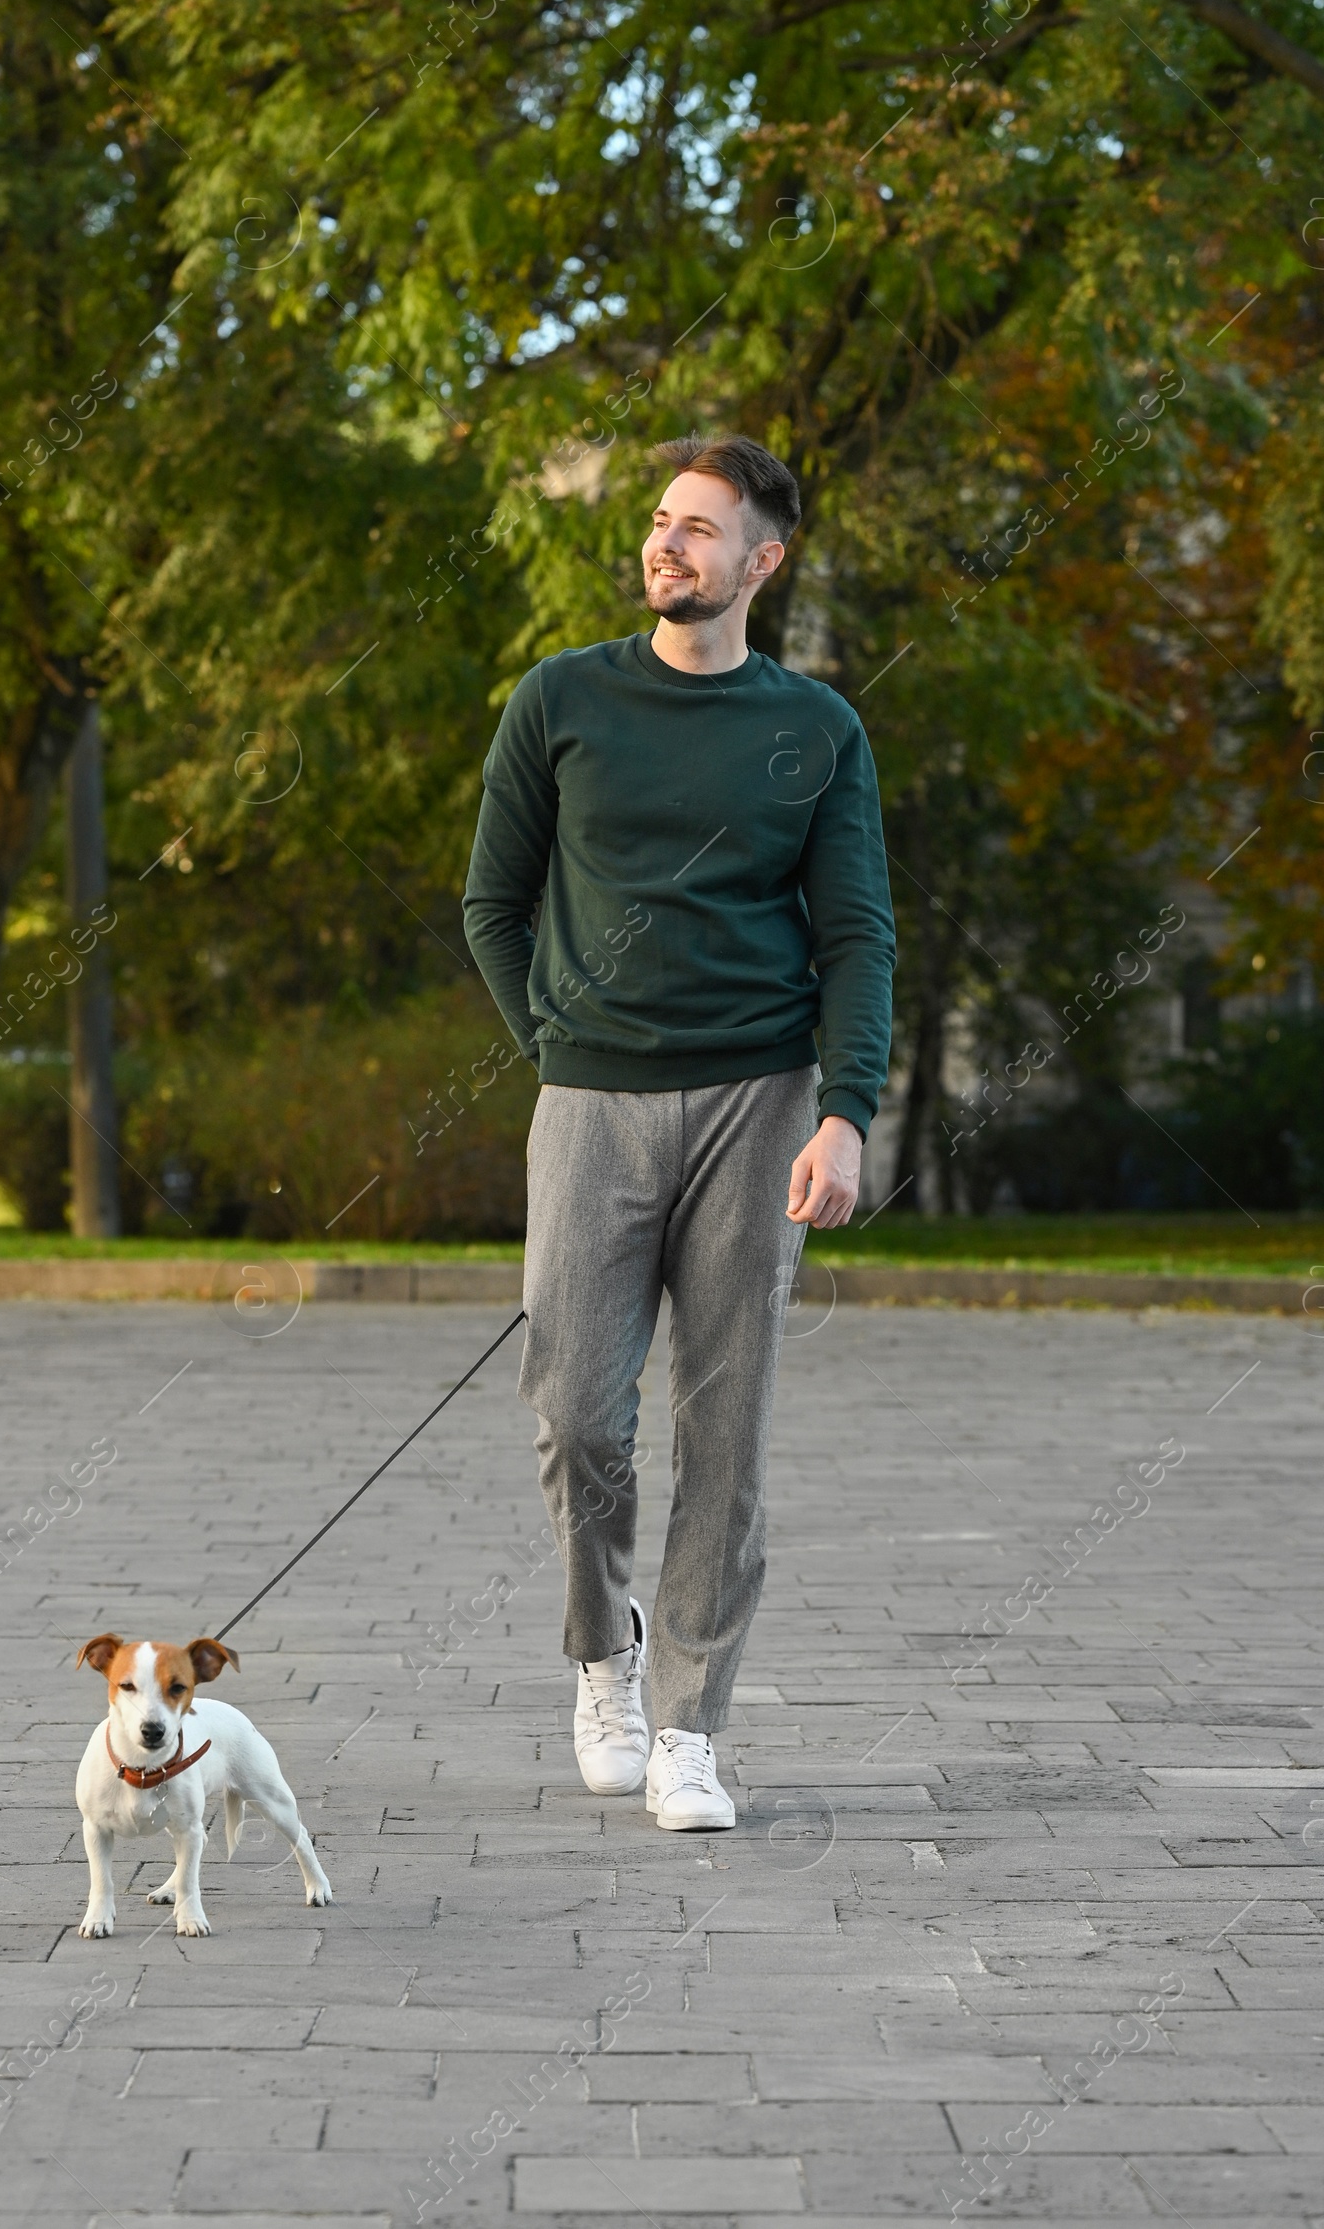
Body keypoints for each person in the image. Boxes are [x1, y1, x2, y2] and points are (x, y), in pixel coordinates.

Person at [463, 434, 895, 1830]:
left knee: (726, 1431)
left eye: (702, 530)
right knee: (574, 1413)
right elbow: (491, 904)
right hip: (588, 1102)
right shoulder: (562, 699)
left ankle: (693, 1727)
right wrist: (560, 1051)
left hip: (761, 1103)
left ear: (760, 562)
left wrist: (845, 1109)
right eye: (662, 521)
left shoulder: (818, 729)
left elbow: (856, 933)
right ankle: (606, 1653)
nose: (669, 545)